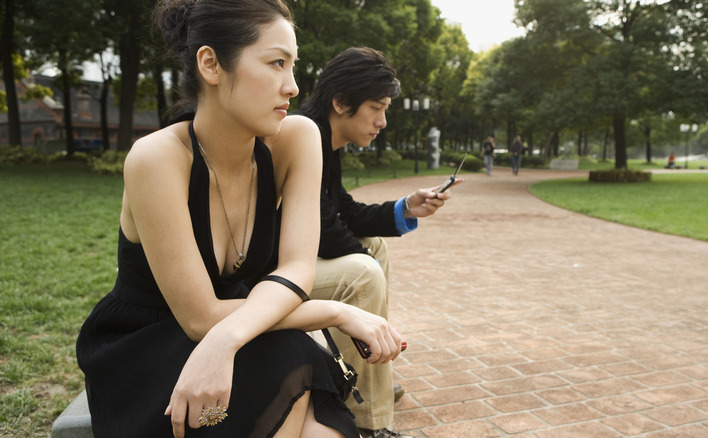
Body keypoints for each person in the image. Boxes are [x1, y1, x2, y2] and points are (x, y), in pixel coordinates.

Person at [76, 2, 403, 437]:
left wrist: (226, 339)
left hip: (241, 331)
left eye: (293, 66)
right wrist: (335, 311)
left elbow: (297, 270)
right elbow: (199, 317)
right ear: (211, 64)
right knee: (290, 364)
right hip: (147, 347)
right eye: (276, 63)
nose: (291, 86)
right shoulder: (157, 159)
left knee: (300, 380)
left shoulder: (299, 137)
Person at [289, 47, 460, 438]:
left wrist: (406, 208)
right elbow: (323, 225)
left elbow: (342, 210)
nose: (382, 121)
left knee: (373, 252)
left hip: (294, 259)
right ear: (341, 102)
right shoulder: (304, 135)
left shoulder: (322, 137)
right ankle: (368, 421)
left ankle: (369, 380)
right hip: (269, 272)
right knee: (364, 271)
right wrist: (364, 261)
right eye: (376, 108)